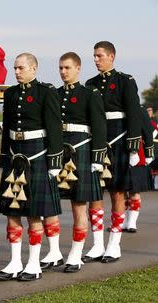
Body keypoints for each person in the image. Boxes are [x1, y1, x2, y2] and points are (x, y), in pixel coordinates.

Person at [0, 53, 63, 282]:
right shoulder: (10, 93)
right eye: (15, 68)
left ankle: (33, 263)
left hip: (38, 154)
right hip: (15, 155)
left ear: (33, 69)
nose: (17, 72)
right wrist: (4, 156)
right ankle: (14, 262)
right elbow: (6, 129)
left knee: (34, 213)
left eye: (21, 68)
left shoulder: (46, 92)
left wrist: (55, 162)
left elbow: (54, 128)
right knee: (12, 212)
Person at [45, 52, 106, 273]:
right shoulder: (54, 94)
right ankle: (53, 251)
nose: (63, 72)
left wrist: (97, 158)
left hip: (80, 149)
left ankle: (75, 255)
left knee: (78, 206)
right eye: (61, 68)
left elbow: (99, 126)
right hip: (57, 150)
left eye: (67, 68)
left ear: (78, 68)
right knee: (49, 203)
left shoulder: (89, 94)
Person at [83, 41, 143, 263]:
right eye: (94, 56)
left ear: (111, 56)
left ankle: (114, 244)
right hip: (96, 143)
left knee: (117, 193)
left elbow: (134, 114)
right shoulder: (90, 84)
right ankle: (97, 245)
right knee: (95, 194)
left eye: (99, 55)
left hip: (118, 141)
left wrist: (133, 146)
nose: (96, 59)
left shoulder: (125, 81)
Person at [123, 105, 155, 232]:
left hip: (137, 153)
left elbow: (148, 131)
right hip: (118, 153)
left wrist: (149, 153)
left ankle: (131, 222)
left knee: (134, 191)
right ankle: (123, 221)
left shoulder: (140, 109)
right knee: (119, 193)